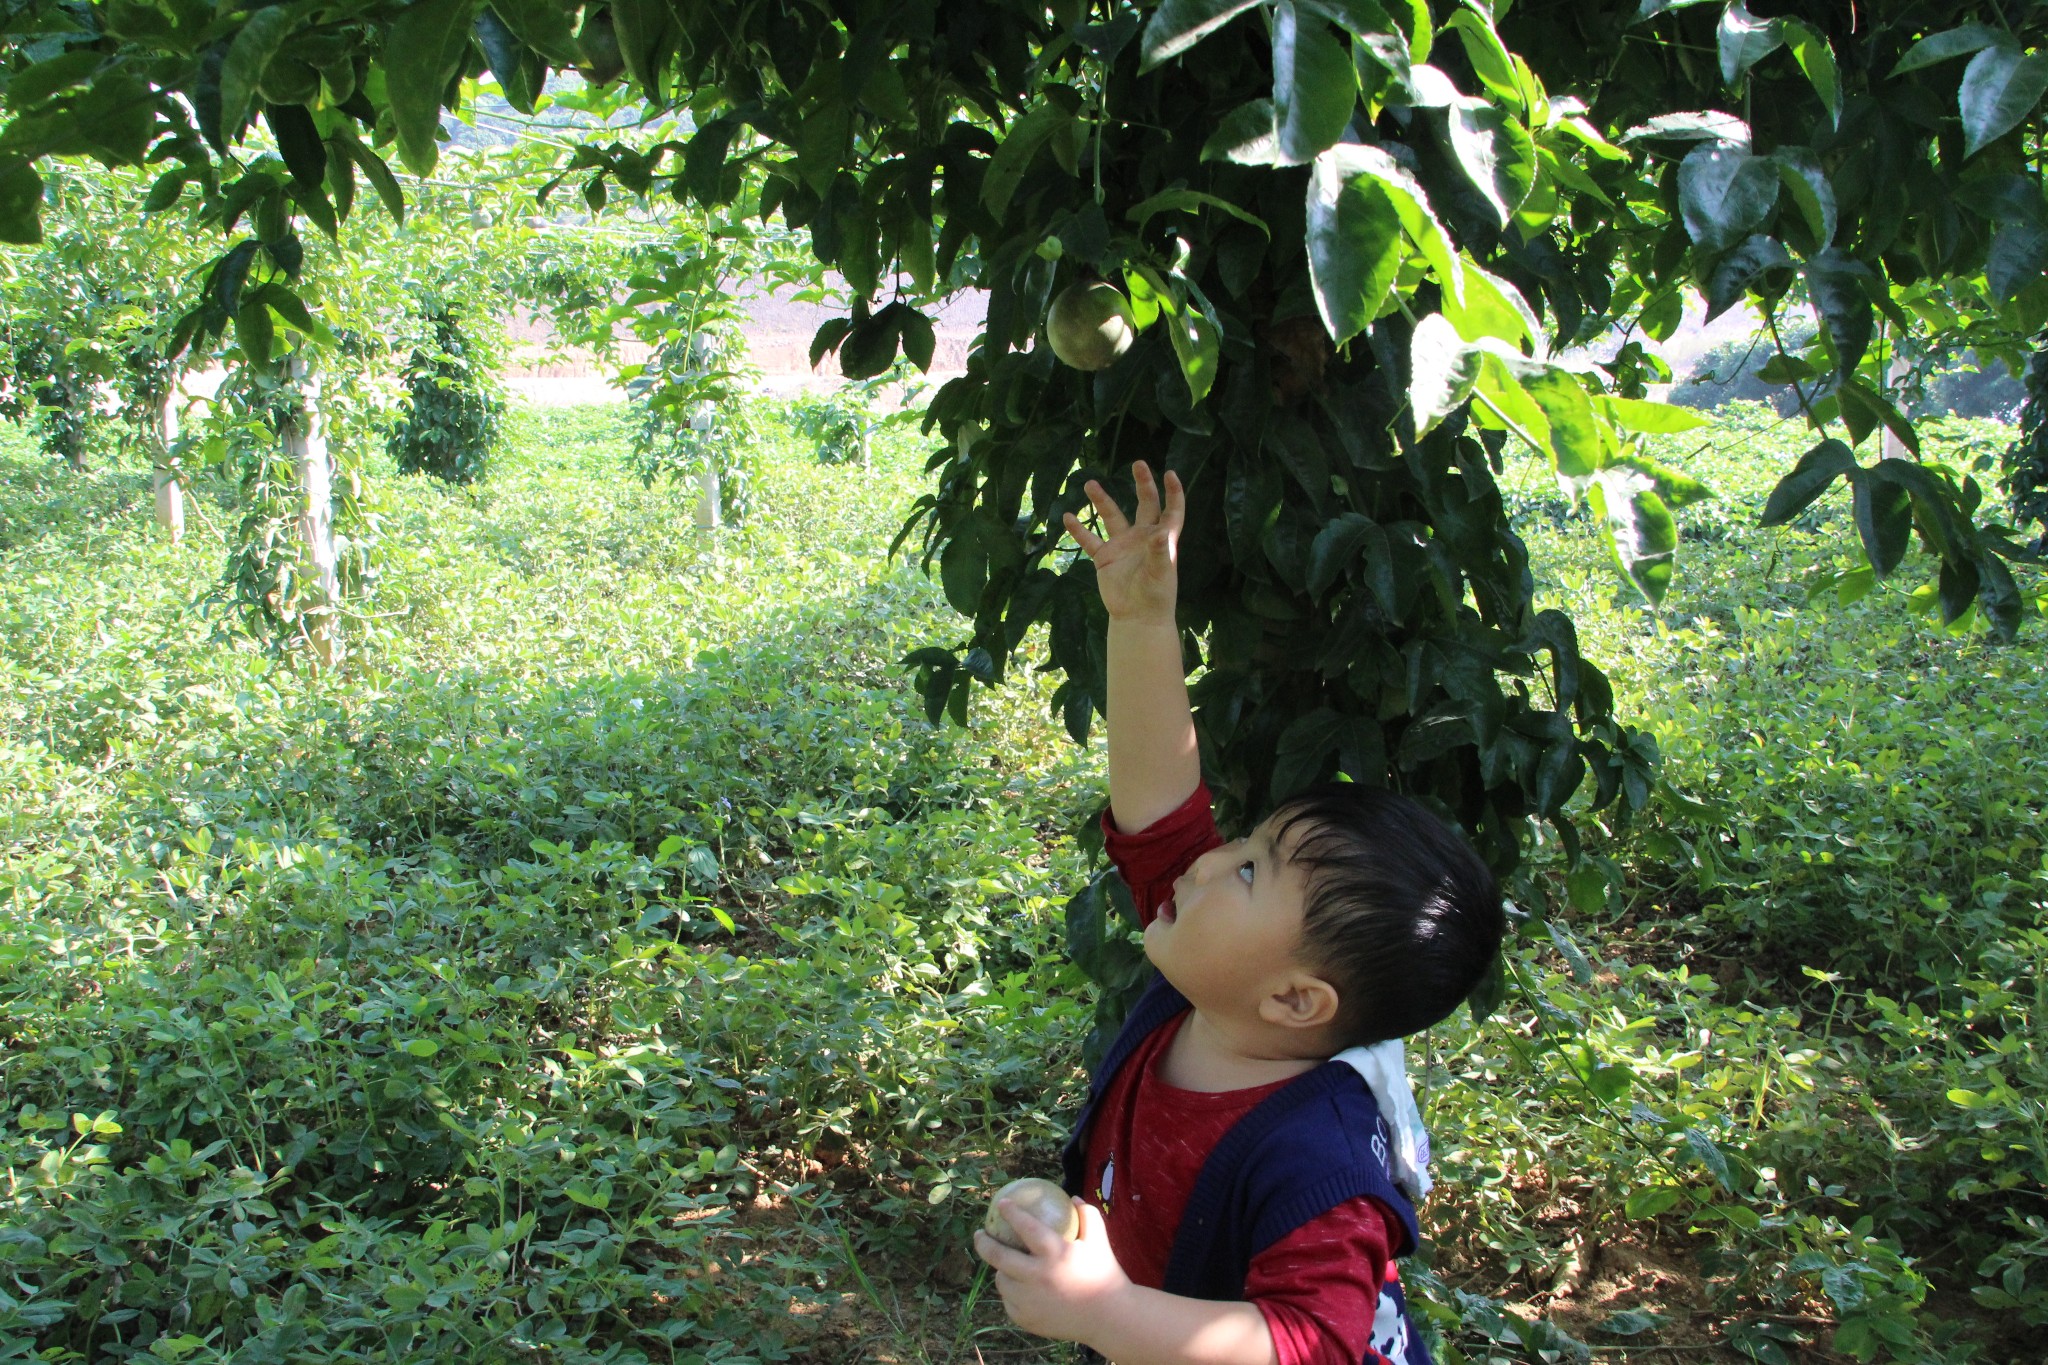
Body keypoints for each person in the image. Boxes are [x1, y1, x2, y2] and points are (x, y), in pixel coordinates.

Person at [971, 461, 1505, 1365]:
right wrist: (1141, 620)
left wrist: (1107, 1310)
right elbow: (1160, 808)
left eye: (1251, 870)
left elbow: (1309, 1345)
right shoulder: (1221, 982)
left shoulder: (1319, 1162)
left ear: (1297, 999)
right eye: (1246, 841)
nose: (1211, 859)